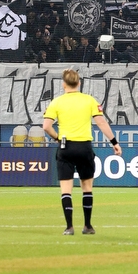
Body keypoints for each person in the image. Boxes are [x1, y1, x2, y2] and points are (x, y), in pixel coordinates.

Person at [42, 68, 122, 235]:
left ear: (63, 84)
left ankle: (69, 227)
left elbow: (46, 127)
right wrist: (114, 142)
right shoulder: (89, 100)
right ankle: (88, 226)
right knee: (87, 188)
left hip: (66, 148)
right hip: (84, 147)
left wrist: (57, 138)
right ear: (79, 83)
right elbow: (101, 123)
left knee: (66, 190)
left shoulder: (56, 102)